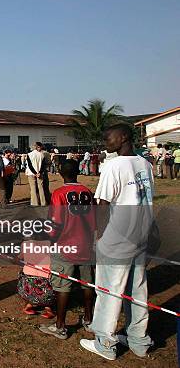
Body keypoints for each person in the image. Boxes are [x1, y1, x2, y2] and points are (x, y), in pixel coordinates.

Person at [80, 123, 155, 360]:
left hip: (117, 238)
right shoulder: (145, 164)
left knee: (108, 291)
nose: (105, 141)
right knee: (137, 290)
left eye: (108, 137)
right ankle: (138, 340)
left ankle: (105, 343)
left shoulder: (113, 166)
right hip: (141, 234)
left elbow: (102, 205)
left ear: (123, 137)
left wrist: (98, 236)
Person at [38, 159, 96, 340]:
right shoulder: (87, 192)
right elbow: (95, 220)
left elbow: (55, 222)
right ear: (78, 171)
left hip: (65, 245)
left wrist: (50, 239)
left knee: (62, 285)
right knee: (88, 283)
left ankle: (61, 326)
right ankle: (89, 319)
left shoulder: (59, 194)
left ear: (62, 173)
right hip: (86, 244)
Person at [26, 142, 48, 206]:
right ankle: (43, 202)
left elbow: (30, 165)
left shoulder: (29, 154)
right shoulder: (42, 155)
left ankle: (34, 203)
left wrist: (35, 173)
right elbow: (43, 166)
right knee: (41, 188)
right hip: (40, 173)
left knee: (33, 188)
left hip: (31, 173)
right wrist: (39, 173)